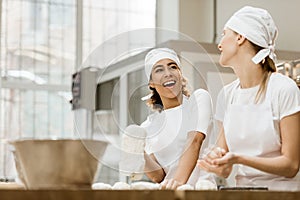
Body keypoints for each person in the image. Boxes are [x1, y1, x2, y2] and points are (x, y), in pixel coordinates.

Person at [197, 6, 300, 191]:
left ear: (240, 37)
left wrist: (239, 158)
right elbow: (224, 168)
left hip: (283, 195)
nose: (219, 44)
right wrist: (215, 162)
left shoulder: (284, 89)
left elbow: (291, 165)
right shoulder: (227, 95)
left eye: (224, 34)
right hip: (242, 193)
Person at [141, 47, 215, 189]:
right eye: (159, 70)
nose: (168, 73)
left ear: (180, 75)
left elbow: (195, 141)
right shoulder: (149, 126)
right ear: (151, 83)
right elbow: (158, 176)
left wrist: (178, 183)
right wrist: (139, 153)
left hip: (202, 192)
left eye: (173, 67)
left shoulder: (198, 100)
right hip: (170, 192)